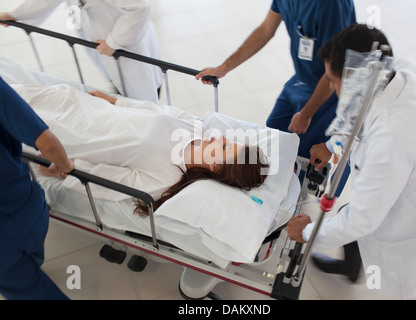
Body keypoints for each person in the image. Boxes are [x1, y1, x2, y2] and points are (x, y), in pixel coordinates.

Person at [287, 24, 416, 299]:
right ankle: (352, 265)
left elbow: (363, 219)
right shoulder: (400, 71)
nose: (332, 88)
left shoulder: (391, 139)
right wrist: (331, 145)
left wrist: (307, 232)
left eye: (334, 81)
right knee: (349, 213)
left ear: (354, 81)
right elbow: (360, 110)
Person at [10, 84, 269, 216]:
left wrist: (61, 169)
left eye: (223, 146)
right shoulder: (191, 126)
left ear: (214, 167)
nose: (218, 138)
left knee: (10, 115)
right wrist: (113, 99)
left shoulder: (167, 177)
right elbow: (152, 110)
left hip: (66, 135)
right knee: (12, 94)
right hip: (79, 104)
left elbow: (110, 181)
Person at [195, 0, 356, 196]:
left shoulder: (330, 6)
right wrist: (224, 68)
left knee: (305, 155)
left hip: (331, 88)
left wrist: (306, 113)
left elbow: (337, 67)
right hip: (302, 79)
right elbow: (265, 29)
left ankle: (293, 202)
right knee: (274, 136)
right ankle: (271, 190)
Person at [0, 0, 163, 102]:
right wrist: (15, 14)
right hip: (103, 37)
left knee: (143, 94)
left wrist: (115, 41)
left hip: (127, 41)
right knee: (123, 86)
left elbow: (138, 7)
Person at [0, 77, 74, 300]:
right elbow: (47, 143)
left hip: (4, 244)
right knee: (25, 260)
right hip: (30, 206)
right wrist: (64, 165)